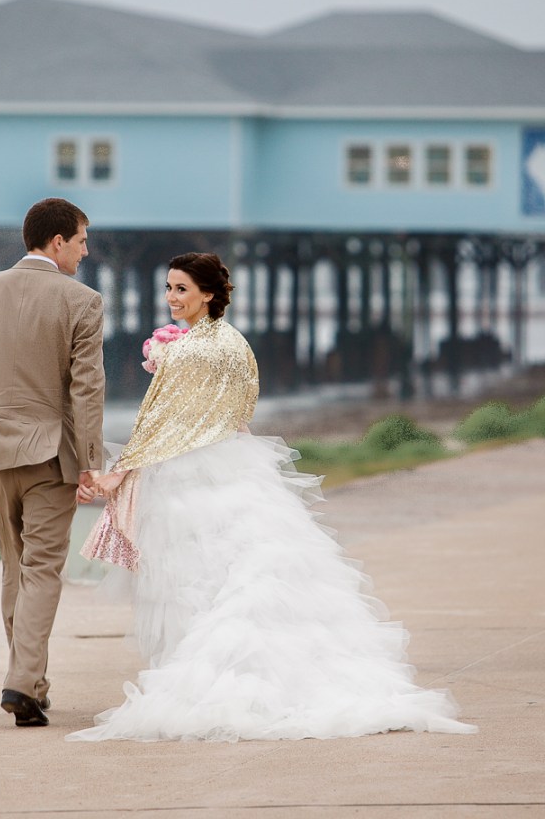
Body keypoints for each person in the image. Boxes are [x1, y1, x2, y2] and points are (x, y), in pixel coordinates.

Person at [68, 252, 476, 743]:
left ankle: (210, 679)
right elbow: (243, 409)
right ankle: (285, 677)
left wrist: (117, 474)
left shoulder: (188, 351)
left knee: (194, 579)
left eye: (181, 289)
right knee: (241, 569)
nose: (171, 297)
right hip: (235, 464)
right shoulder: (234, 342)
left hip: (190, 480)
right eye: (169, 288)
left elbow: (160, 421)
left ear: (208, 294)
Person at [0, 197, 105, 728]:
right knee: (42, 570)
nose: (85, 251)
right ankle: (23, 682)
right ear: (57, 241)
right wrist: (92, 463)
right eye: (81, 240)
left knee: (16, 567)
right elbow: (86, 389)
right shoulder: (83, 301)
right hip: (51, 457)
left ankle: (31, 681)